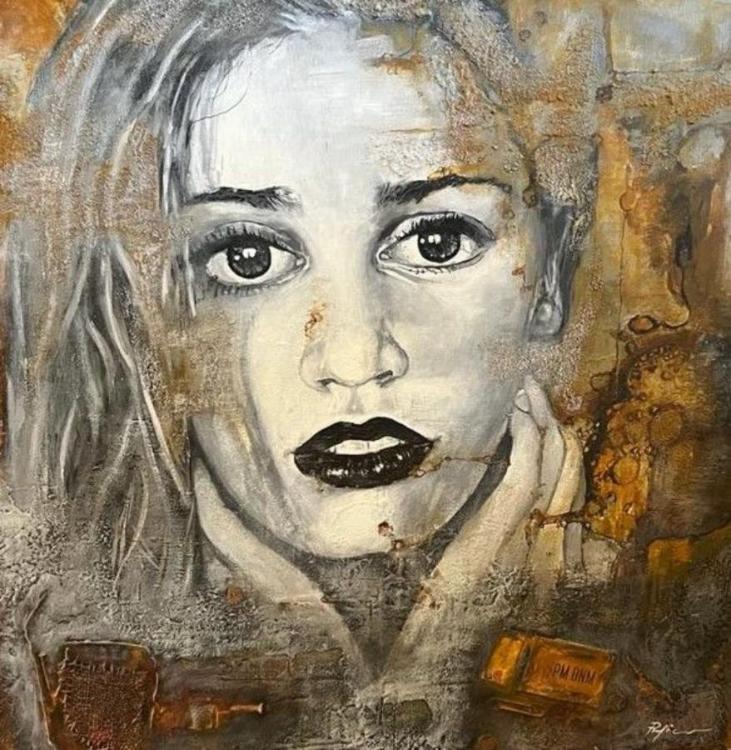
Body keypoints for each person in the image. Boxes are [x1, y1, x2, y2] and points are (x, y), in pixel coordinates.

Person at [2, 1, 653, 747]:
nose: (354, 359)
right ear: (135, 314)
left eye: (436, 242)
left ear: (549, 280)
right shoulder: (32, 665)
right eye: (247, 257)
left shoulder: (672, 609)